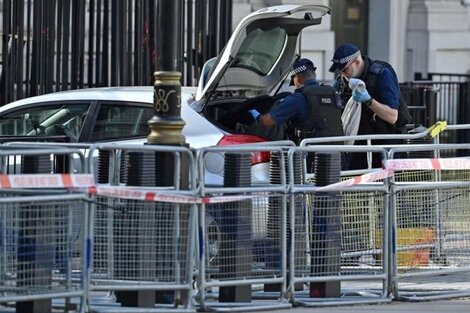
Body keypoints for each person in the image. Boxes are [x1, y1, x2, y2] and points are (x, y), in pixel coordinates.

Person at [329, 43, 404, 170]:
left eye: (345, 69)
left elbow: (393, 116)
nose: (343, 74)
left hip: (385, 148)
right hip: (358, 148)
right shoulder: (343, 80)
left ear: (357, 62)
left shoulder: (382, 74)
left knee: (384, 188)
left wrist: (369, 101)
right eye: (340, 71)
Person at [249, 58, 343, 145]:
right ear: (314, 75)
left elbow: (267, 121)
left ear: (297, 77)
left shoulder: (298, 98)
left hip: (312, 157)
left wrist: (254, 113)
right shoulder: (333, 93)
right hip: (337, 155)